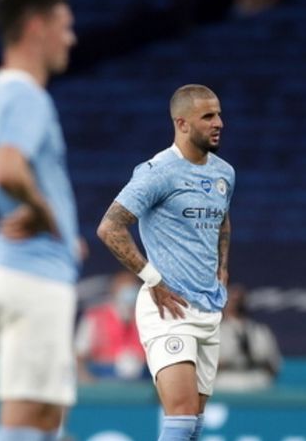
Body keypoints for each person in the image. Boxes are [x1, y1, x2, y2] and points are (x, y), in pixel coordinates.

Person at [0, 0, 81, 441]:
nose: (72, 38)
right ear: (36, 28)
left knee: (48, 419)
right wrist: (46, 216)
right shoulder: (26, 94)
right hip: (32, 274)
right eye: (65, 27)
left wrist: (29, 215)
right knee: (29, 416)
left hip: (13, 270)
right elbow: (6, 168)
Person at [97, 84, 234, 441]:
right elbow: (110, 227)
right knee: (182, 417)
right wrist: (152, 279)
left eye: (218, 113)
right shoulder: (157, 171)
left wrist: (223, 266)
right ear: (182, 123)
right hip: (168, 308)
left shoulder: (224, 173)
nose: (218, 122)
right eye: (208, 116)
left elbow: (222, 218)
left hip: (208, 309)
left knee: (194, 426)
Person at [75, 271, 146, 382]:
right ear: (114, 289)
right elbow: (79, 354)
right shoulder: (95, 316)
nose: (129, 290)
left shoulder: (146, 317)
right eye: (124, 286)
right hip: (104, 379)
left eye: (132, 286)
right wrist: (86, 380)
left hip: (141, 381)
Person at [215, 284, 281, 391]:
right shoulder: (214, 331)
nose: (236, 304)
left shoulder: (260, 331)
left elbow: (274, 365)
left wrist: (257, 360)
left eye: (239, 300)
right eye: (232, 299)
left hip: (257, 380)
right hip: (226, 382)